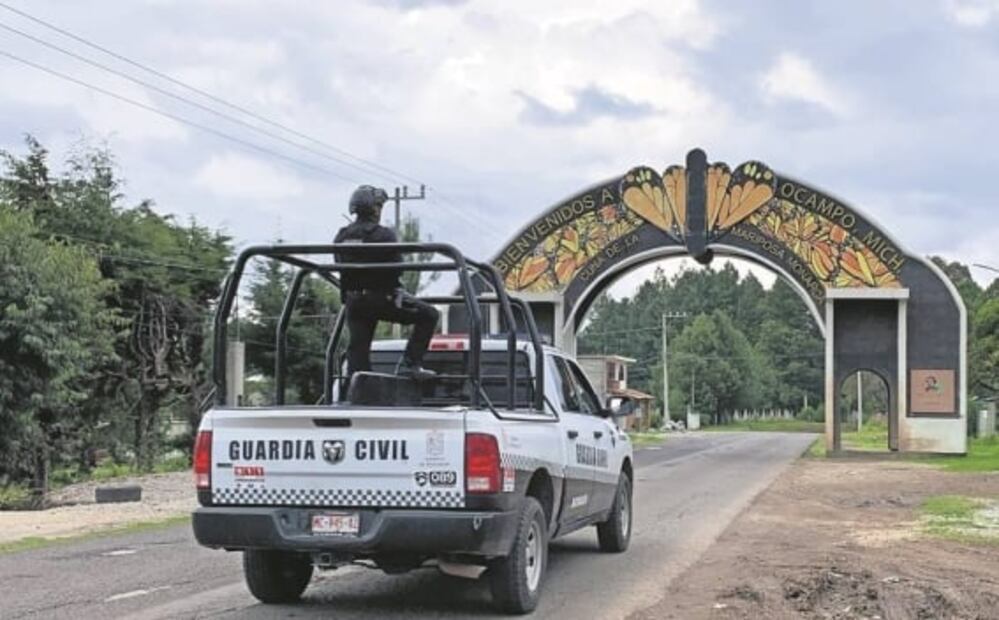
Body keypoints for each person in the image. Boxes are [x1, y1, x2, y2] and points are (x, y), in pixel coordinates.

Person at [334, 185, 439, 380]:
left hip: (354, 302)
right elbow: (397, 268)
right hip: (381, 299)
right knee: (429, 315)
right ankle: (409, 364)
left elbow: (339, 264)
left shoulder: (341, 236)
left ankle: (356, 385)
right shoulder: (384, 235)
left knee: (358, 349)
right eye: (379, 206)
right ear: (374, 209)